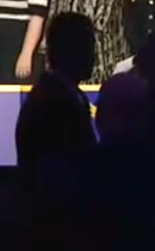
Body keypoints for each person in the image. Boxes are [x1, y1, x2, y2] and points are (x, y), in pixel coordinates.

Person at [16, 12, 97, 179]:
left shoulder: (70, 95)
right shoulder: (52, 104)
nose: (93, 56)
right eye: (88, 46)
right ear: (71, 49)